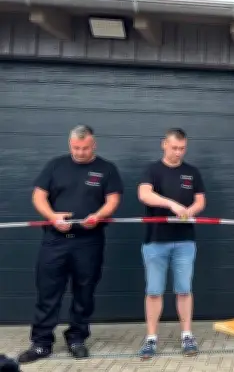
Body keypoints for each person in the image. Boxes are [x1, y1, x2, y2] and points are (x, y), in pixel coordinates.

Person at [17, 125, 123, 364]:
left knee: (84, 292)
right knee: (48, 292)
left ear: (93, 145)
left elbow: (113, 199)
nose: (80, 152)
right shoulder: (56, 165)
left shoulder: (106, 169)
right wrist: (52, 216)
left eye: (85, 148)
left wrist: (98, 216)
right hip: (55, 241)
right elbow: (38, 195)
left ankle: (77, 338)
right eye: (76, 148)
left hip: (89, 241)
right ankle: (42, 343)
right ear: (70, 144)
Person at [136, 128, 206, 359]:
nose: (178, 152)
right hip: (156, 241)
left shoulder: (192, 172)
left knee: (184, 290)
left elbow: (200, 200)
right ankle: (151, 339)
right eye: (174, 147)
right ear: (164, 144)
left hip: (184, 241)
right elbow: (144, 194)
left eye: (182, 148)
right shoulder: (152, 170)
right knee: (154, 291)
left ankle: (187, 335)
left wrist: (191, 211)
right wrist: (172, 205)